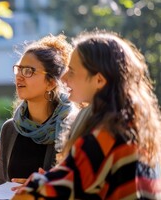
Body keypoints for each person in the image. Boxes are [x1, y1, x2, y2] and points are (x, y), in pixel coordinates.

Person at [13, 30, 161, 199]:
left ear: (99, 80)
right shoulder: (131, 128)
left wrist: (39, 182)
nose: (63, 78)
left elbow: (35, 194)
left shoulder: (102, 139)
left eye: (72, 71)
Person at [0, 34, 77, 185]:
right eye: (19, 69)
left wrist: (42, 188)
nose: (19, 76)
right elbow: (1, 181)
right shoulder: (10, 128)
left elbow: (80, 184)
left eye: (28, 71)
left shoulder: (72, 128)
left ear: (51, 82)